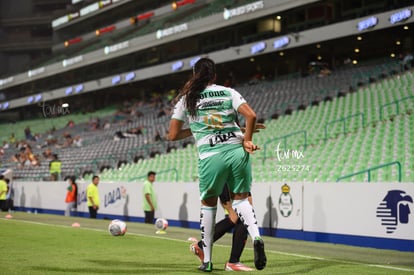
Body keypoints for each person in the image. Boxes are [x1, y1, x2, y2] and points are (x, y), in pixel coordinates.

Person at [167, 58, 266, 272]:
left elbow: (173, 135)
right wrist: (247, 139)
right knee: (243, 201)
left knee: (208, 206)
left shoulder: (187, 99)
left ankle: (207, 261)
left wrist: (197, 129)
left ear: (195, 75)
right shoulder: (228, 92)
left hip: (211, 157)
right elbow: (251, 115)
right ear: (214, 75)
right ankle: (257, 237)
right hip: (237, 152)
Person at [190, 184, 253, 271]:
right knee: (240, 215)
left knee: (244, 213)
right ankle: (233, 262)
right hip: (228, 180)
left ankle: (201, 246)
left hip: (236, 181)